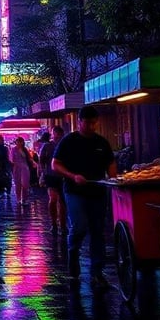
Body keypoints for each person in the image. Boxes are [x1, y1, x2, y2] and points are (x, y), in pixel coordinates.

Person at [52, 105, 117, 289]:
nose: (90, 126)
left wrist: (113, 178)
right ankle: (73, 252)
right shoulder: (69, 141)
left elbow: (110, 164)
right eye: (87, 122)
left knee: (98, 230)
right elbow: (55, 164)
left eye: (93, 122)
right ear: (79, 122)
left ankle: (97, 271)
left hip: (98, 191)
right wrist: (73, 176)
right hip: (74, 191)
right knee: (79, 225)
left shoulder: (101, 143)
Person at [38, 126, 67, 235]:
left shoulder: (65, 146)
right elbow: (41, 160)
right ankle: (54, 223)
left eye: (59, 134)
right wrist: (42, 174)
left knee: (62, 201)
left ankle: (62, 225)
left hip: (63, 176)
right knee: (54, 199)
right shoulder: (47, 146)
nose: (57, 136)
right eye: (56, 134)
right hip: (50, 175)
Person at [11, 137, 33, 206]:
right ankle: (18, 199)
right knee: (18, 184)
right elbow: (11, 159)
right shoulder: (13, 149)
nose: (19, 143)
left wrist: (34, 163)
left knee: (25, 184)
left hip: (25, 168)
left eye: (20, 142)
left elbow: (29, 158)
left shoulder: (25, 149)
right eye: (17, 142)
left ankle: (24, 199)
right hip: (16, 168)